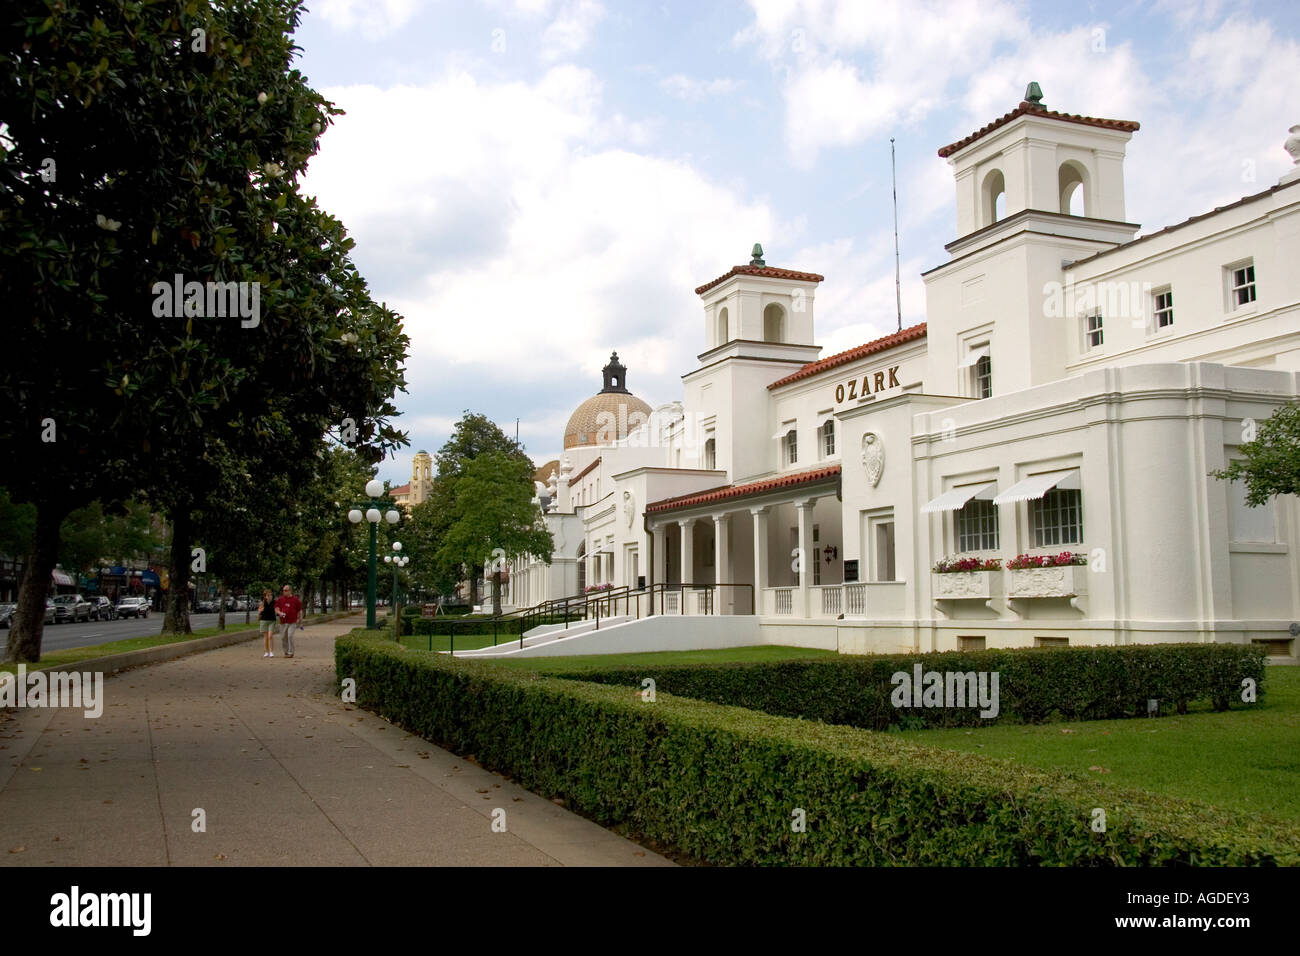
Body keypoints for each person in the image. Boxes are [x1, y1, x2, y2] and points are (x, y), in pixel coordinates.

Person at [274, 584, 303, 659]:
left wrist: (300, 620)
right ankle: (286, 652)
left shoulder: (295, 599)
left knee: (290, 636)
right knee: (283, 637)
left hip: (292, 622)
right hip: (283, 622)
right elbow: (276, 608)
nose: (284, 592)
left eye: (286, 590)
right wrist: (279, 613)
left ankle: (291, 652)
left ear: (290, 591)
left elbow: (300, 610)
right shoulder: (280, 599)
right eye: (283, 590)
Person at [257, 588, 277, 658]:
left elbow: (277, 610)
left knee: (270, 636)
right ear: (265, 596)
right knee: (265, 637)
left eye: (270, 595)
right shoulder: (262, 603)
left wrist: (278, 612)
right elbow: (259, 611)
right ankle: (266, 652)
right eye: (267, 595)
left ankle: (271, 651)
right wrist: (260, 610)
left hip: (272, 621)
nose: (269, 597)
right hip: (264, 620)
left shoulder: (275, 602)